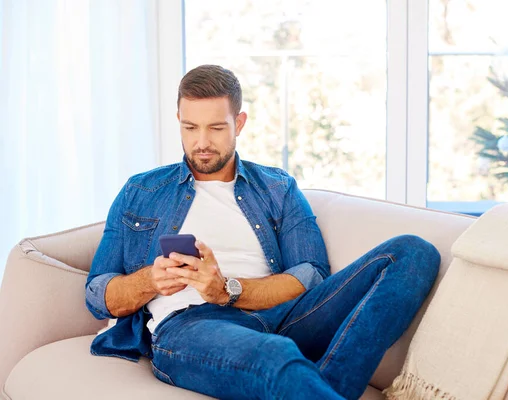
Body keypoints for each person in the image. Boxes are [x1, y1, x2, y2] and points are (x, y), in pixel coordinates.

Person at [85, 64, 441, 400]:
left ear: (239, 123)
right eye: (190, 128)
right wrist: (151, 280)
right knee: (276, 355)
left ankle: (322, 386)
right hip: (192, 326)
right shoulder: (142, 191)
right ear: (179, 120)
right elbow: (98, 294)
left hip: (284, 316)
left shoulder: (276, 187)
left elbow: (311, 273)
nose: (202, 142)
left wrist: (227, 290)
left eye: (216, 128)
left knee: (413, 253)